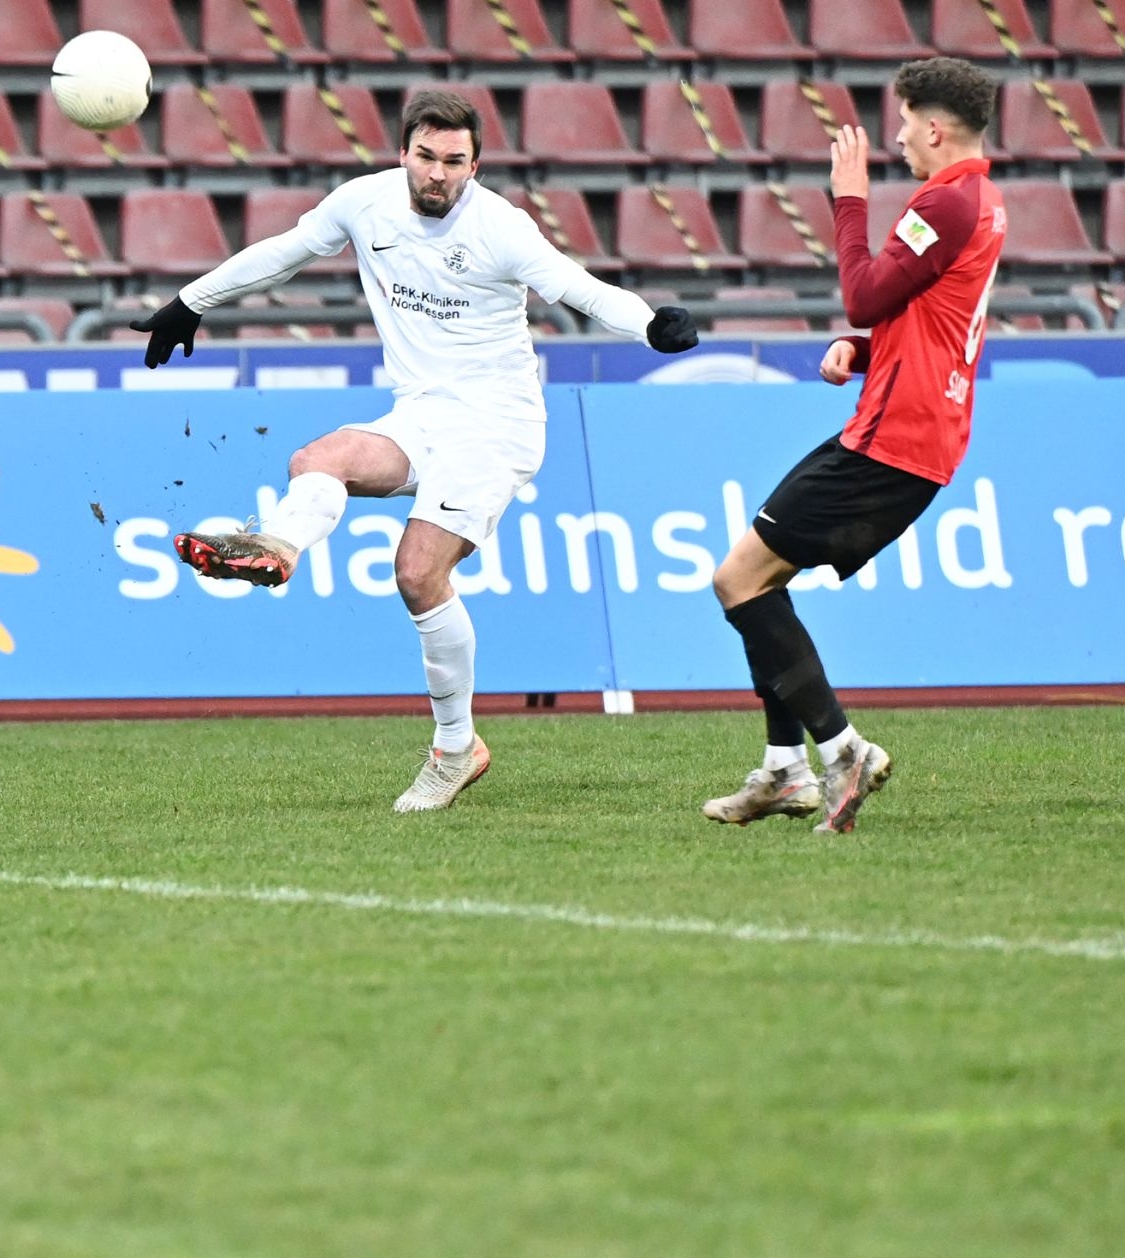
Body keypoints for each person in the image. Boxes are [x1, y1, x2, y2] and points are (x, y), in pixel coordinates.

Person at [131, 90, 699, 814]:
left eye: (454, 162)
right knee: (316, 460)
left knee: (417, 572)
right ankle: (278, 547)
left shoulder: (501, 227)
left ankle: (456, 749)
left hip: (496, 425)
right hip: (423, 413)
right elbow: (283, 253)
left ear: (475, 166)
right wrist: (192, 302)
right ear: (402, 152)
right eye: (425, 156)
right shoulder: (364, 203)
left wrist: (649, 325)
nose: (437, 173)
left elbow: (577, 289)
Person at [703, 57, 1006, 835]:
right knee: (761, 583)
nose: (897, 136)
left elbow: (865, 294)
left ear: (933, 129)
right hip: (911, 429)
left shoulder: (944, 202)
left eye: (903, 122)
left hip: (892, 438)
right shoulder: (983, 200)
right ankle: (784, 769)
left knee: (738, 580)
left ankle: (842, 751)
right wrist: (866, 352)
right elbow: (933, 324)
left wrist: (848, 201)